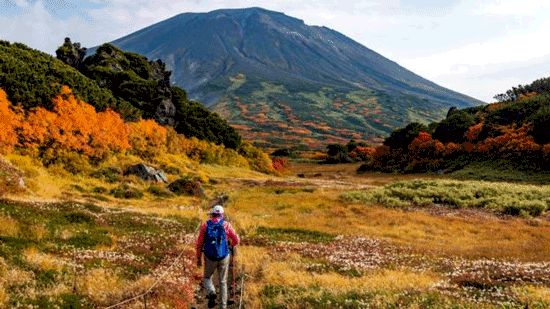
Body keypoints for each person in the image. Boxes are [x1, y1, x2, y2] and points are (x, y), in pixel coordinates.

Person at [196, 205, 240, 308]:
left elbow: (199, 243)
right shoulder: (227, 225)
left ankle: (211, 292)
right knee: (223, 282)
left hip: (209, 257)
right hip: (224, 256)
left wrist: (198, 257)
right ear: (222, 214)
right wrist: (230, 245)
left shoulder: (205, 225)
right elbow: (236, 240)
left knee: (207, 277)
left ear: (212, 214)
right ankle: (223, 306)